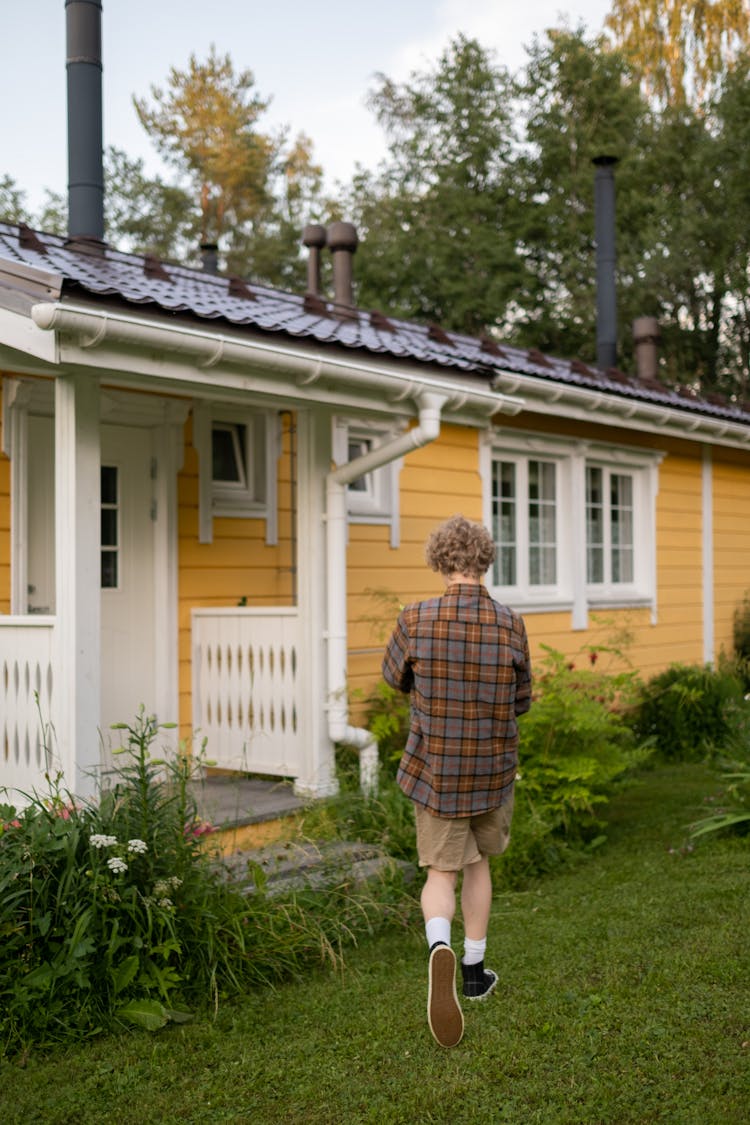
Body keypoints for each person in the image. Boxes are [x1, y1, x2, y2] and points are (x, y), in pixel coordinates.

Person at [382, 514, 532, 1048]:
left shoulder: (415, 618)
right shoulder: (511, 623)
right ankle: (473, 972)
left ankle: (437, 947)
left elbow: (394, 677)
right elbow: (521, 702)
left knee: (440, 873)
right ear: (484, 560)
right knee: (479, 864)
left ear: (440, 561)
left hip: (438, 770)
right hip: (492, 771)